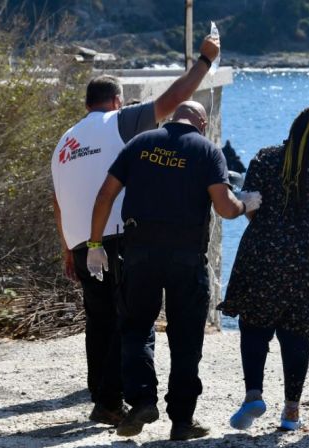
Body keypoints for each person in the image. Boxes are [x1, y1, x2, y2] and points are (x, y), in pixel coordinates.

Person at [51, 35, 220, 426]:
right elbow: (173, 99)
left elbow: (57, 199)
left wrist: (68, 248)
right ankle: (132, 399)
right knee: (130, 321)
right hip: (114, 237)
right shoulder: (121, 122)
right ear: (116, 101)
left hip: (81, 241)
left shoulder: (65, 140)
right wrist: (205, 61)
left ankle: (106, 401)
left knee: (100, 322)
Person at [87, 101, 262, 441]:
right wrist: (246, 204)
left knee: (135, 328)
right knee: (186, 339)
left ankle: (141, 401)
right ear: (202, 122)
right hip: (186, 257)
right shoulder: (208, 151)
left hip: (139, 254)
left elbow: (105, 194)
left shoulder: (140, 144)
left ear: (173, 118)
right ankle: (182, 421)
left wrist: (95, 246)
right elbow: (225, 208)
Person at [218, 107, 309, 432]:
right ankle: (291, 412)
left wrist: (272, 228)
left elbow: (251, 206)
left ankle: (253, 395)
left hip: (265, 249)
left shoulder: (265, 159)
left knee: (254, 326)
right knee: (296, 333)